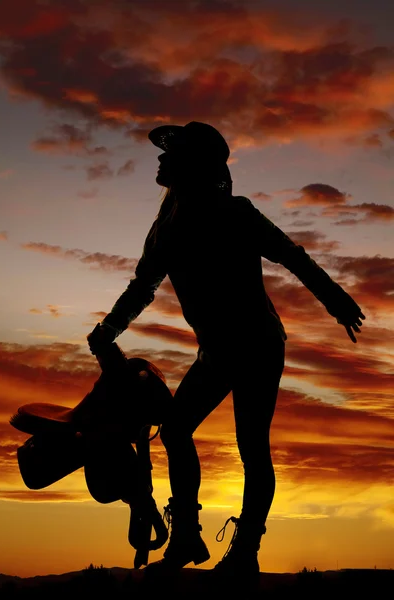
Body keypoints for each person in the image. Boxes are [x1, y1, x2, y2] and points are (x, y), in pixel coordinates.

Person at [87, 121, 365, 581]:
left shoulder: (236, 213)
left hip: (257, 345)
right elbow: (143, 287)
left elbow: (291, 255)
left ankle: (247, 550)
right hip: (215, 352)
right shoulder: (164, 230)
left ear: (192, 164)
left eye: (170, 152)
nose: (159, 159)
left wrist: (335, 300)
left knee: (252, 448)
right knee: (176, 431)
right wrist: (110, 328)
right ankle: (188, 536)